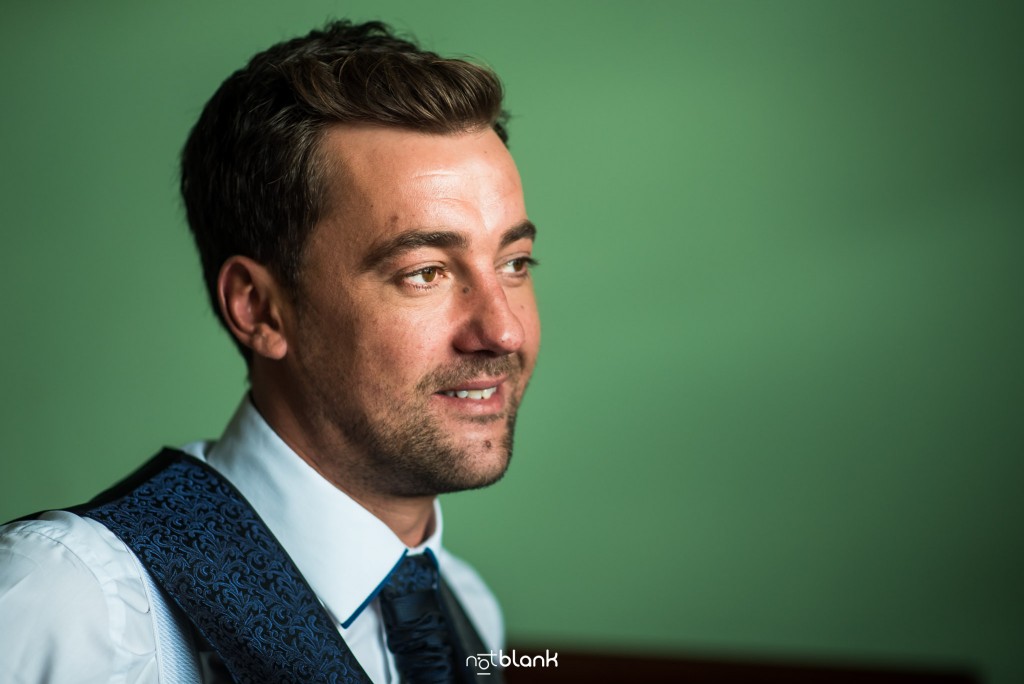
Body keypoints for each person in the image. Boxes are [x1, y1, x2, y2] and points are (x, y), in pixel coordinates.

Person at [0, 19, 539, 684]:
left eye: (514, 263)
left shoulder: (469, 611)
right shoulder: (67, 606)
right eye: (424, 273)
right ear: (258, 308)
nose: (504, 331)